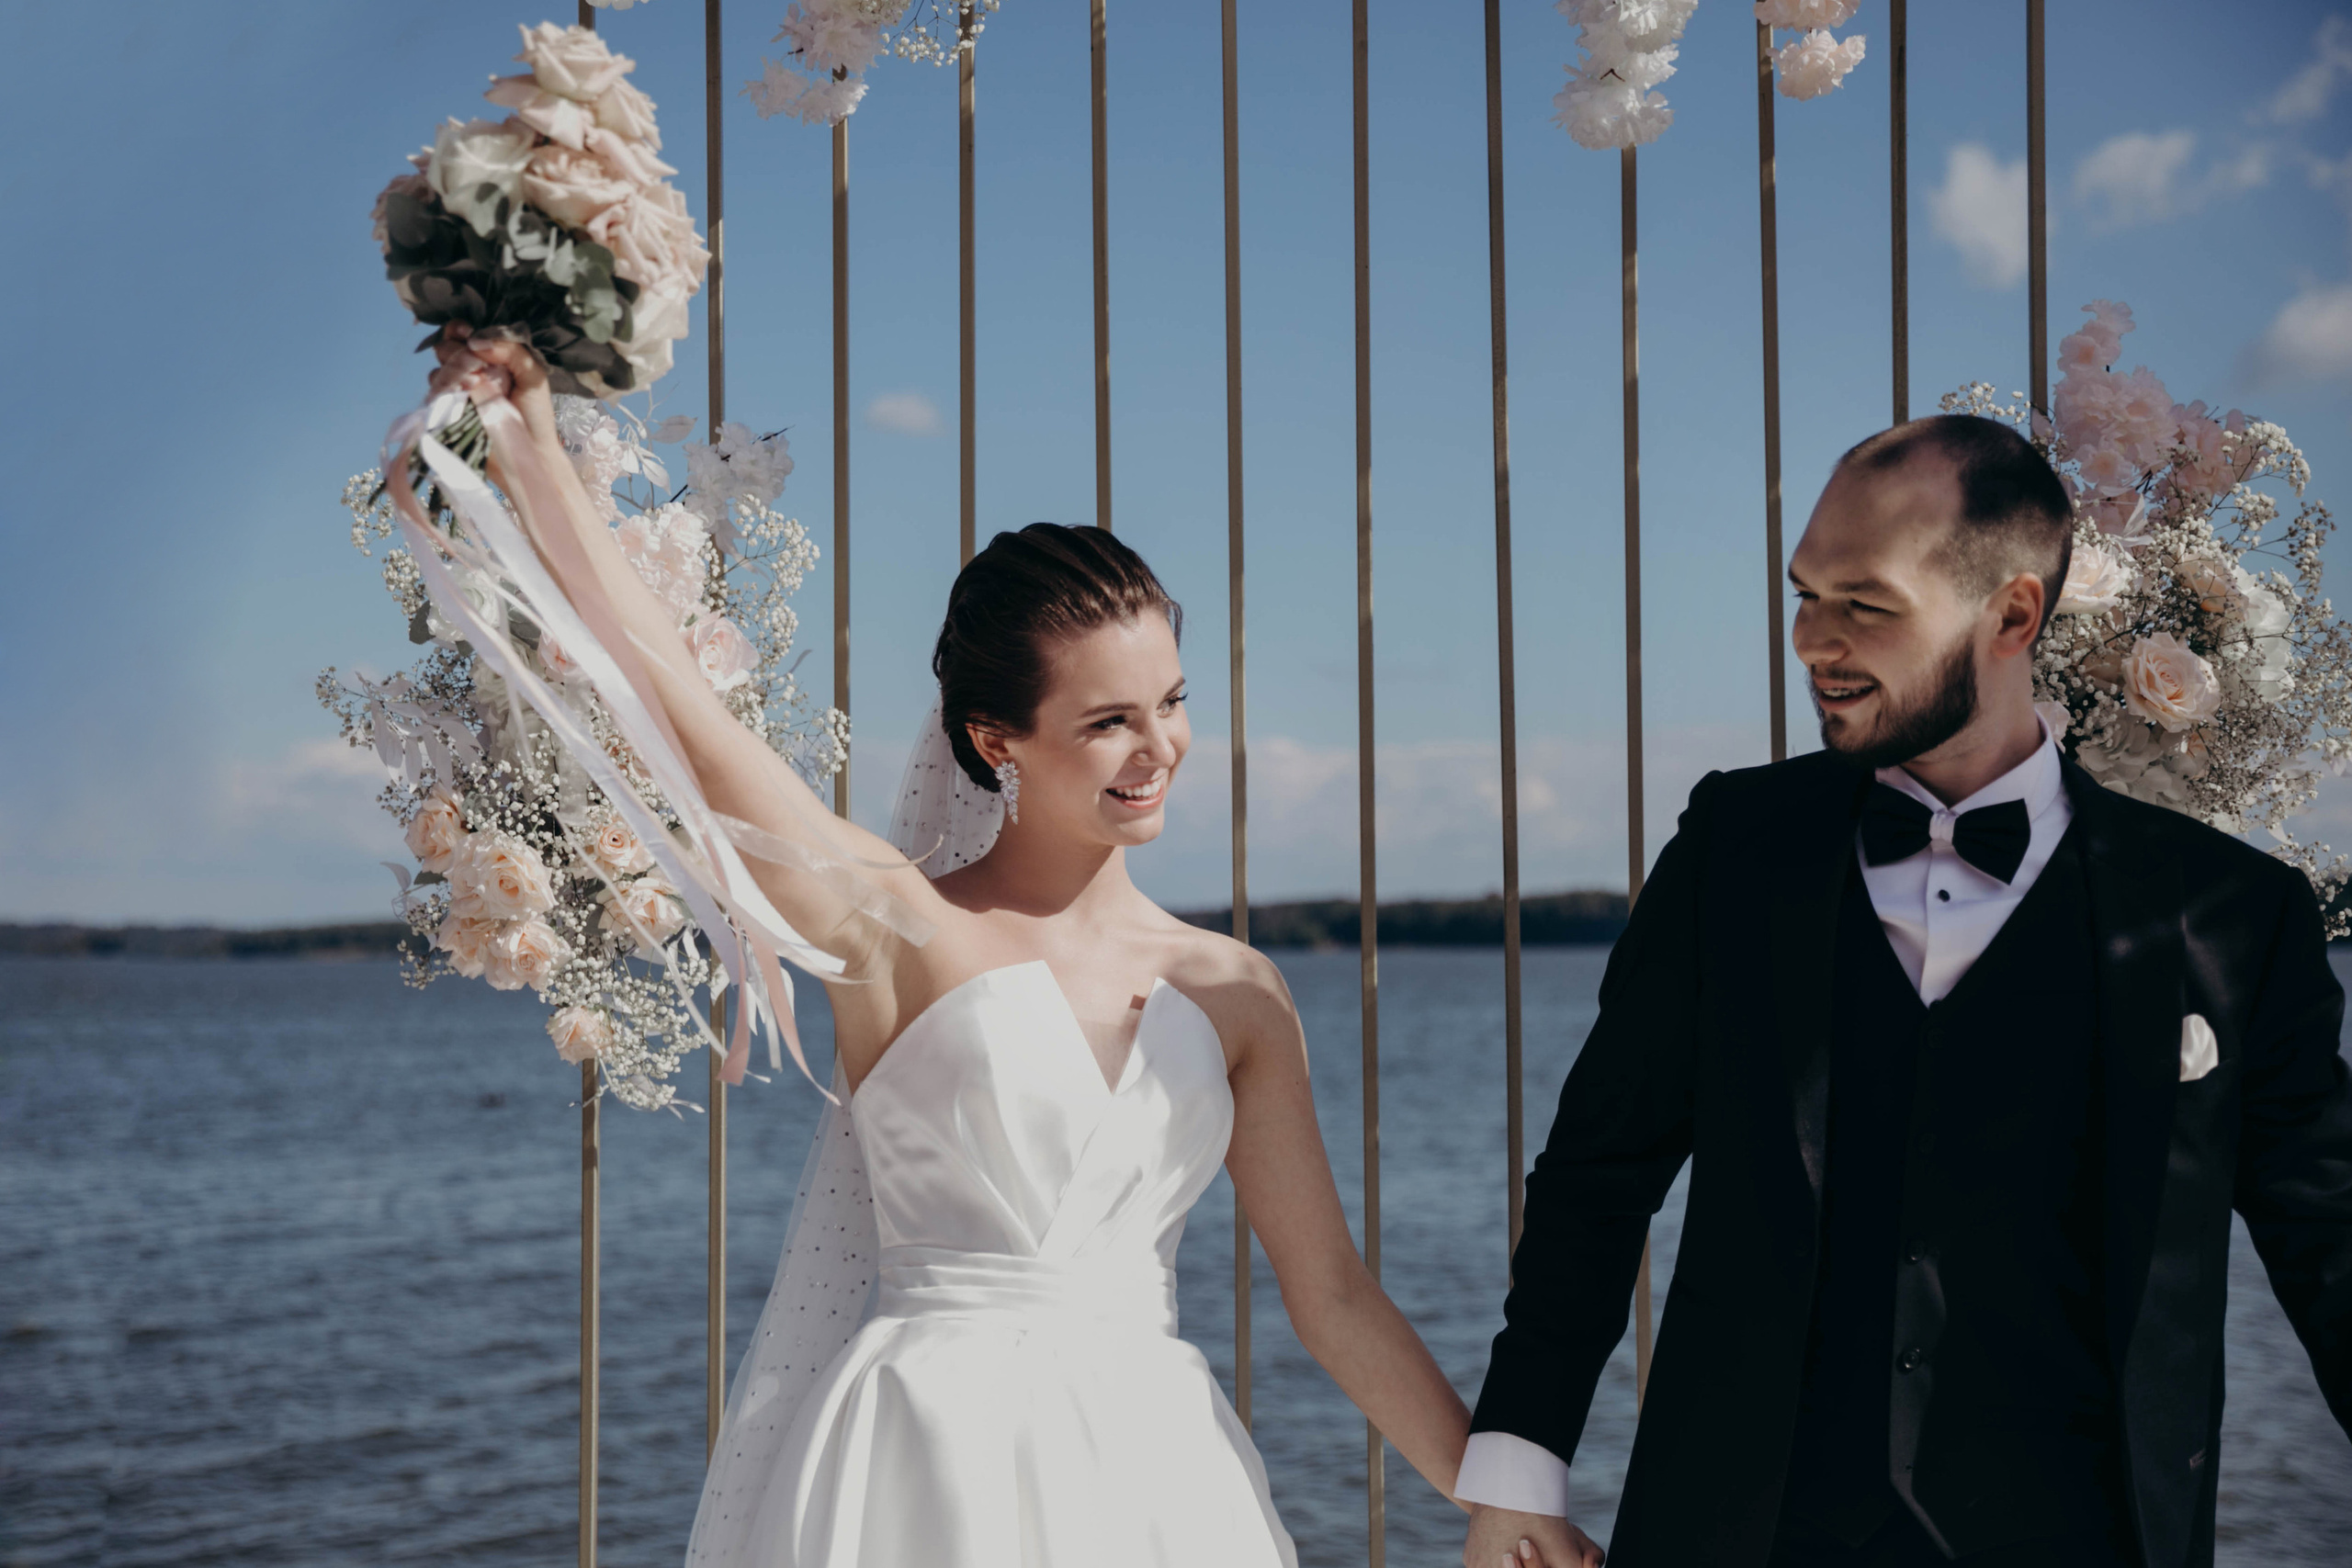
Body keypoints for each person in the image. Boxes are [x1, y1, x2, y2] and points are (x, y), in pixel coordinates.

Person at [447, 337, 1473, 1566]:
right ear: (998, 738)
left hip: (1154, 1478)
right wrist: (532, 448)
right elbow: (680, 706)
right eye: (1107, 720)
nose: (1159, 748)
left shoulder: (1237, 991)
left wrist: (1499, 1494)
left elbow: (1334, 1297)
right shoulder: (896, 924)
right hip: (916, 1470)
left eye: (1173, 701)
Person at [1454, 414, 2352, 1568]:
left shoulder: (2227, 912)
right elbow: (1595, 1171)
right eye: (1803, 595)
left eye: (1864, 607)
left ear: (2012, 615)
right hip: (1744, 1530)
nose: (1812, 642)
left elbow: (2324, 1227)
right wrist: (1517, 1473)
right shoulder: (1735, 848)